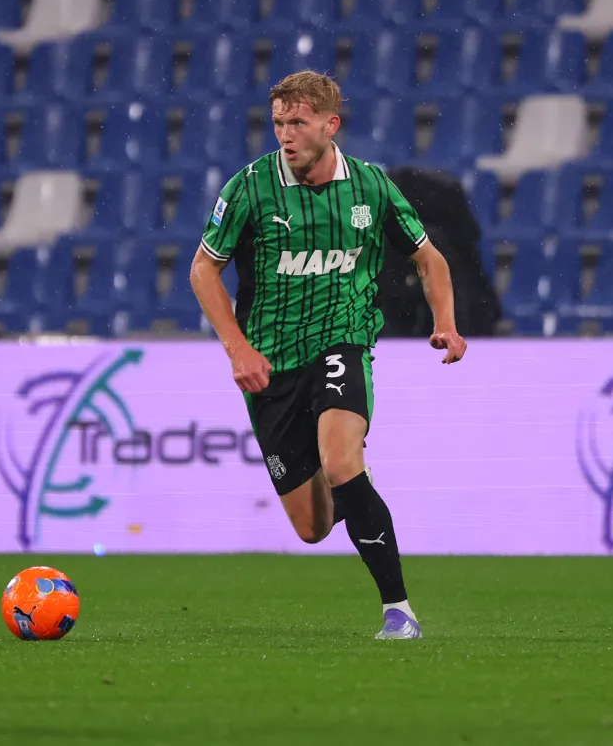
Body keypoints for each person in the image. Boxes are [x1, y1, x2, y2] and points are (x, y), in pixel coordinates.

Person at [190, 71, 466, 640]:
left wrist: (446, 324)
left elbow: (429, 258)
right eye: (277, 124)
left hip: (343, 340)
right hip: (270, 365)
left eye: (297, 123)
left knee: (342, 461)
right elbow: (203, 269)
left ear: (329, 124)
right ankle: (352, 497)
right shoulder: (249, 188)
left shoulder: (370, 186)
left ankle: (399, 611)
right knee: (313, 527)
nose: (285, 135)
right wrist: (237, 349)